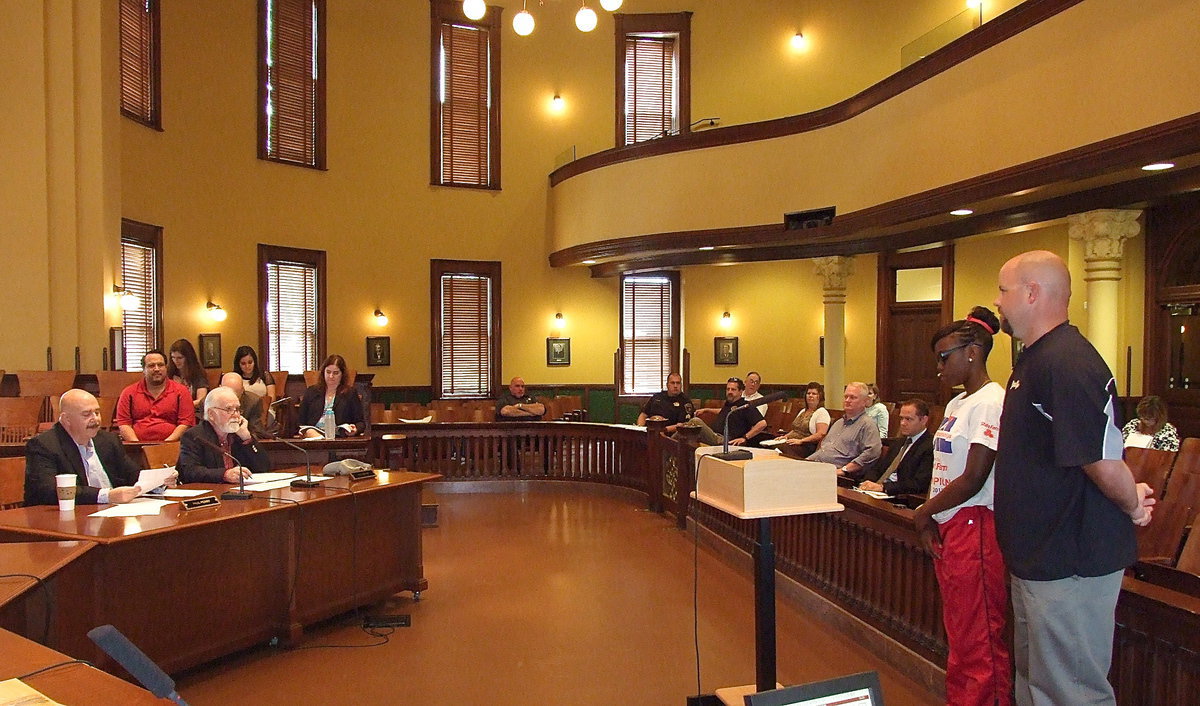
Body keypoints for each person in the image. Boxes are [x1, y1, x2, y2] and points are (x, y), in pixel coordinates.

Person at [993, 250, 1154, 706]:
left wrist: (1131, 505)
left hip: (1071, 561)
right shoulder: (1036, 360)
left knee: (1072, 693)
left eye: (1003, 290)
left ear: (1032, 293)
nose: (998, 302)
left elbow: (1100, 459)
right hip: (1040, 559)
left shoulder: (1068, 362)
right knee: (1038, 688)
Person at [912, 307, 1011, 706]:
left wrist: (923, 512)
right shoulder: (956, 406)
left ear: (972, 352)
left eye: (944, 356)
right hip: (950, 523)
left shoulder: (990, 402)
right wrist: (933, 513)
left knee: (980, 640)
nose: (938, 366)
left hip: (977, 525)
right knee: (959, 635)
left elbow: (975, 477)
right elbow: (943, 470)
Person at [24, 389, 156, 505]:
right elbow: (50, 490)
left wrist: (156, 482)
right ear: (67, 419)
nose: (95, 419)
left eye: (97, 413)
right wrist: (106, 496)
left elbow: (132, 474)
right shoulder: (44, 445)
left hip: (111, 515)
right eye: (86, 414)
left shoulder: (108, 440)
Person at [177, 386, 268, 483]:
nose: (236, 415)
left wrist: (247, 438)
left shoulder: (239, 434)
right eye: (229, 409)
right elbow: (191, 472)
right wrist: (224, 474)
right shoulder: (195, 436)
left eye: (237, 409)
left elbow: (264, 467)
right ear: (211, 414)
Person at [115, 350, 195, 442]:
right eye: (151, 366)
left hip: (172, 447)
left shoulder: (181, 391)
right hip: (136, 448)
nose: (157, 369)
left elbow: (185, 423)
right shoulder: (128, 392)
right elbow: (124, 423)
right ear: (144, 370)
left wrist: (165, 444)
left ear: (166, 368)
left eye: (160, 365)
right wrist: (137, 445)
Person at [859, 399, 933, 497]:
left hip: (899, 497)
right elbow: (878, 469)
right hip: (875, 492)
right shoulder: (898, 442)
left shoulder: (930, 446)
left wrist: (884, 487)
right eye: (901, 418)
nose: (902, 423)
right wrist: (867, 482)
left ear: (924, 420)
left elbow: (919, 483)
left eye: (908, 419)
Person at [807, 382, 882, 478]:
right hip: (818, 468)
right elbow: (824, 450)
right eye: (845, 397)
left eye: (853, 397)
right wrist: (805, 462)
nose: (847, 400)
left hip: (837, 475)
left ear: (865, 401)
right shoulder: (838, 423)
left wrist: (844, 470)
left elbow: (872, 453)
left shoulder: (867, 425)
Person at [677, 377, 768, 447]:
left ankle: (668, 443)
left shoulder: (745, 406)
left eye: (733, 389)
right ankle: (671, 448)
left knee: (695, 422)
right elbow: (723, 411)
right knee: (687, 433)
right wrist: (707, 409)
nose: (729, 392)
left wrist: (744, 438)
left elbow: (762, 423)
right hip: (714, 435)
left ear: (741, 392)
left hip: (724, 441)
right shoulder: (729, 404)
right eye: (728, 389)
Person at [298, 354, 365, 437]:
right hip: (314, 434)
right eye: (328, 372)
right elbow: (300, 421)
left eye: (335, 373)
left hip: (339, 435)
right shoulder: (311, 392)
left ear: (342, 374)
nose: (331, 376)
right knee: (310, 432)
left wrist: (355, 429)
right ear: (323, 372)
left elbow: (361, 423)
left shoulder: (350, 393)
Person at [779, 381, 831, 456]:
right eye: (808, 393)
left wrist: (801, 441)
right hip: (793, 442)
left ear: (820, 396)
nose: (810, 395)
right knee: (774, 446)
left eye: (814, 394)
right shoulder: (802, 411)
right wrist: (785, 437)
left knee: (783, 448)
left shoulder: (822, 412)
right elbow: (795, 430)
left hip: (807, 445)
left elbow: (821, 434)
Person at [221, 372, 269, 438]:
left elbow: (257, 432)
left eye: (236, 395)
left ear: (242, 390)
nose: (231, 398)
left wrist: (245, 435)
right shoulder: (208, 402)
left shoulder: (253, 402)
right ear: (219, 388)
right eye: (228, 394)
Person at [167, 338, 209, 412]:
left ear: (188, 358)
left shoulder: (198, 373)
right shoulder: (169, 372)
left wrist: (184, 406)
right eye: (173, 357)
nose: (176, 361)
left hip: (193, 412)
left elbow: (201, 400)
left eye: (180, 358)